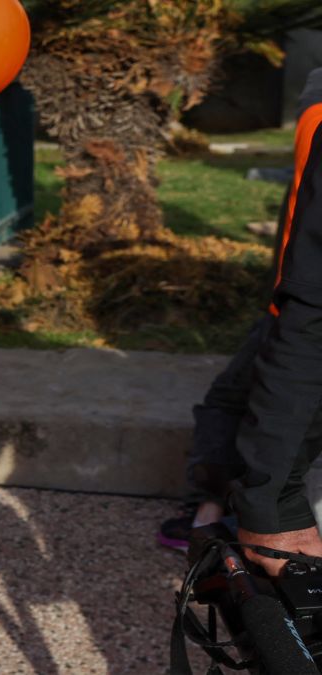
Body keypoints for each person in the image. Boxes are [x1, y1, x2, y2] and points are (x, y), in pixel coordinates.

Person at [159, 69, 322, 552]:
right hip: (294, 297)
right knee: (236, 400)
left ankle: (210, 518)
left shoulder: (316, 113)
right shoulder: (315, 110)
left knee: (232, 400)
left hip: (296, 306)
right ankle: (214, 514)